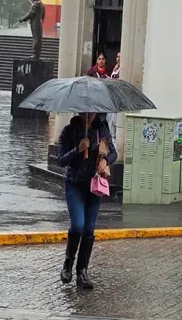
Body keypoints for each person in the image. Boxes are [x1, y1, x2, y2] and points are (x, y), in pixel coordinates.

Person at [57, 112, 117, 289]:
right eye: (86, 112)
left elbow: (113, 153)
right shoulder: (69, 131)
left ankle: (82, 271)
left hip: (94, 186)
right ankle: (68, 263)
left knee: (89, 229)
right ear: (79, 111)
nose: (90, 115)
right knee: (78, 225)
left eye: (93, 112)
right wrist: (78, 149)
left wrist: (106, 161)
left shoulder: (102, 130)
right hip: (74, 185)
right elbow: (61, 160)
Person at [107, 52, 120, 139]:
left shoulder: (123, 69)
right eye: (117, 56)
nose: (118, 59)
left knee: (116, 121)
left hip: (118, 98)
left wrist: (111, 81)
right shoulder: (116, 68)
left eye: (120, 57)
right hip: (112, 97)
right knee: (110, 119)